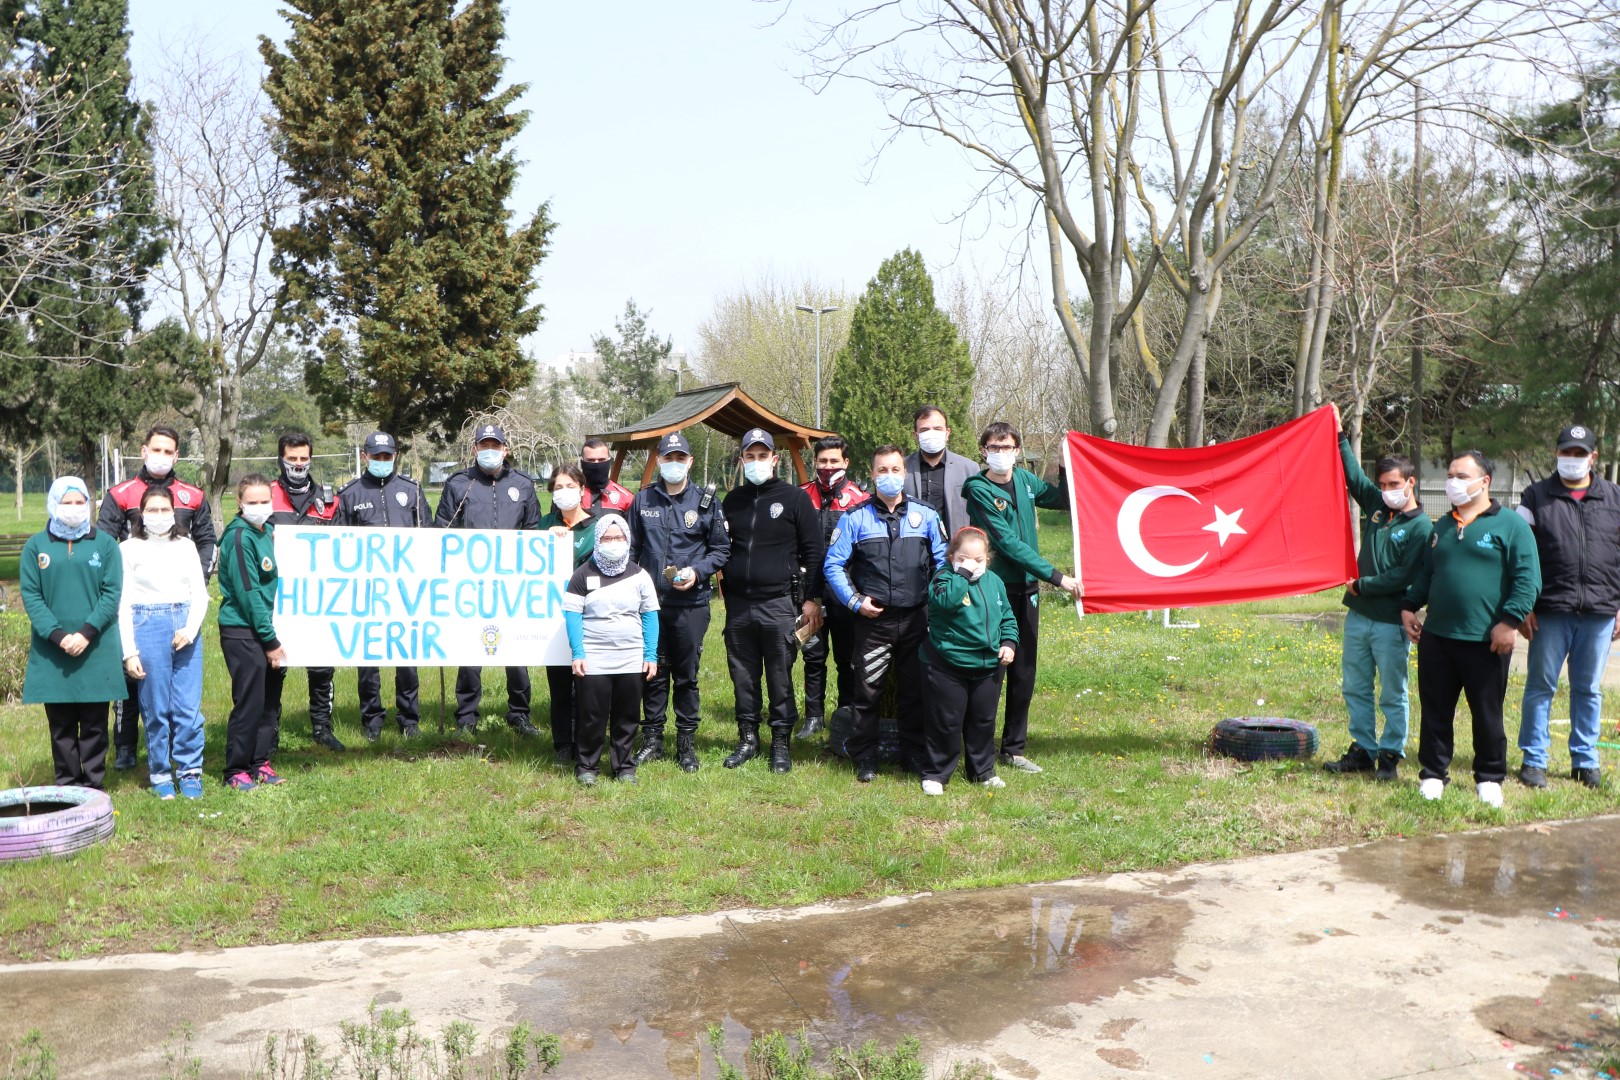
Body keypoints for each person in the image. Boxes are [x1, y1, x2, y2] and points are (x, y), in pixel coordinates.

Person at [1401, 451, 1541, 808]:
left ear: (1485, 481)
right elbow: (1427, 574)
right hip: (1438, 638)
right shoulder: (1442, 526)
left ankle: (1490, 777)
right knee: (1435, 711)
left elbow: (1528, 580)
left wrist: (1509, 622)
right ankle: (1433, 775)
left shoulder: (1511, 526)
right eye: (1450, 475)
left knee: (1487, 713)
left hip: (1486, 641)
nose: (1453, 482)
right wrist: (1408, 606)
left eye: (1462, 475)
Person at [961, 422, 1082, 774]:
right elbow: (1007, 544)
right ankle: (977, 748)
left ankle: (1013, 748)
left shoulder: (1027, 482)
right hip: (994, 591)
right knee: (992, 668)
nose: (1002, 453)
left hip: (1027, 592)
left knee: (1024, 670)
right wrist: (1059, 578)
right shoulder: (978, 490)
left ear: (1017, 450)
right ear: (983, 451)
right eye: (995, 447)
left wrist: (1063, 464)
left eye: (1008, 447)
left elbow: (1062, 501)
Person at [1323, 406, 1433, 783]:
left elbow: (1403, 575)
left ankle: (1390, 752)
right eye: (1383, 485)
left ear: (1410, 483)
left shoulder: (1421, 527)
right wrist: (1338, 436)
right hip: (1358, 616)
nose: (1386, 492)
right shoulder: (1376, 509)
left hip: (1390, 621)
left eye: (1393, 485)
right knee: (1355, 685)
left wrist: (1362, 584)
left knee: (1392, 691)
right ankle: (1363, 749)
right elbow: (1352, 477)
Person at [824, 444, 948, 781]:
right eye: (882, 470)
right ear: (872, 474)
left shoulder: (927, 516)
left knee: (914, 692)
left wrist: (934, 601)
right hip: (873, 622)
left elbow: (943, 564)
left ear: (904, 474)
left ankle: (913, 755)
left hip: (915, 622)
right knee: (867, 692)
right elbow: (833, 565)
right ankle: (865, 757)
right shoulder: (855, 518)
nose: (889, 476)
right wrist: (855, 602)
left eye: (895, 470)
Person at [97, 426, 216, 772]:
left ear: (177, 455)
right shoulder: (121, 493)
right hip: (136, 601)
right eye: (156, 449)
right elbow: (106, 544)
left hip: (180, 599)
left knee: (173, 690)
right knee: (132, 680)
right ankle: (125, 746)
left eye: (169, 451)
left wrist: (198, 578)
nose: (162, 456)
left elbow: (207, 540)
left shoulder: (192, 495)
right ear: (144, 450)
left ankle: (180, 755)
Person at [1514, 424, 1620, 790]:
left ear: (1594, 457)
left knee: (1589, 689)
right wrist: (1522, 605)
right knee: (1541, 686)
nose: (1571, 459)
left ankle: (1585, 760)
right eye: (1565, 452)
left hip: (1600, 612)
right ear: (1556, 454)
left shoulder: (1616, 498)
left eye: (1579, 453)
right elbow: (1518, 557)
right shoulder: (1534, 497)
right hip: (1548, 611)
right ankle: (1534, 759)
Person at [718, 428, 822, 773]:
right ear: (742, 460)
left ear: (775, 460)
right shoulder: (732, 501)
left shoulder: (795, 499)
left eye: (764, 456)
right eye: (751, 456)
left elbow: (814, 552)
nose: (757, 461)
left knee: (779, 675)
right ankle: (748, 739)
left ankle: (781, 743)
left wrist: (811, 600)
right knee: (743, 676)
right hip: (739, 605)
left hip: (780, 603)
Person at [628, 430, 729, 771]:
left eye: (679, 458)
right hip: (651, 604)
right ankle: (652, 740)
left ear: (690, 462)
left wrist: (698, 572)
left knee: (686, 676)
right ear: (659, 460)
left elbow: (721, 549)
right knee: (653, 673)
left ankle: (686, 745)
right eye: (667, 458)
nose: (673, 464)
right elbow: (631, 550)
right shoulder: (643, 500)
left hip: (691, 604)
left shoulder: (705, 502)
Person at [436, 423, 543, 737]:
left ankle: (519, 715)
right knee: (469, 651)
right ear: (475, 450)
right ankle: (466, 717)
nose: (490, 451)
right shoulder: (459, 484)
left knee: (516, 652)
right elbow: (442, 531)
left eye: (495, 445)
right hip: (471, 583)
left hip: (513, 584)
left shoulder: (523, 484)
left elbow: (533, 531)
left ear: (506, 449)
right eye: (484, 446)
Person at [21, 477, 124, 790]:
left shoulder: (105, 544)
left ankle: (93, 786)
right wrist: (57, 635)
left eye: (81, 502)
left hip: (95, 646)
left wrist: (85, 633)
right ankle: (67, 784)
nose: (74, 509)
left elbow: (111, 592)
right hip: (53, 650)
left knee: (94, 723)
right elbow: (31, 595)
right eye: (67, 502)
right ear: (54, 503)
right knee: (61, 725)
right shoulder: (36, 546)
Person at [334, 431, 432, 740]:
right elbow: (338, 545)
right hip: (367, 590)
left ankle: (409, 719)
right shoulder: (350, 494)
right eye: (376, 456)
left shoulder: (412, 491)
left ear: (395, 456)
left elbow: (428, 536)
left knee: (407, 659)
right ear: (365, 457)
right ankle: (372, 721)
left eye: (387, 456)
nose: (382, 461)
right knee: (368, 661)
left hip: (406, 590)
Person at [117, 487, 209, 800]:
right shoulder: (128, 549)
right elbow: (123, 603)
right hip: (147, 624)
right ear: (141, 513)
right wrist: (129, 652)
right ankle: (160, 773)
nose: (159, 516)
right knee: (155, 708)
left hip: (184, 622)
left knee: (187, 707)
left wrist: (191, 628)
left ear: (174, 512)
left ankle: (190, 770)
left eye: (164, 509)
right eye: (152, 510)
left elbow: (200, 592)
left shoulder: (186, 545)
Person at [919, 527, 1018, 795]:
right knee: (946, 722)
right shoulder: (943, 579)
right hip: (947, 664)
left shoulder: (995, 581)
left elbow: (1007, 616)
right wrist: (961, 574)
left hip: (987, 667)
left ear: (988, 559)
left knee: (983, 721)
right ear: (951, 557)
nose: (972, 564)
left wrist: (1009, 643)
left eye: (978, 559)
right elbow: (947, 602)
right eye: (963, 558)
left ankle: (982, 771)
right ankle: (936, 774)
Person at [562, 514, 659, 786]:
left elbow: (650, 616)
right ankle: (587, 766)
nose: (613, 542)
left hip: (631, 657)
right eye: (607, 538)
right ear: (598, 540)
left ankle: (624, 766)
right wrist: (578, 652)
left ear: (627, 540)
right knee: (591, 715)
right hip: (594, 657)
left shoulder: (640, 575)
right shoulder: (582, 575)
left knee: (627, 716)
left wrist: (650, 655)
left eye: (619, 538)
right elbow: (572, 615)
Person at [266, 432, 344, 751]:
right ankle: (268, 731)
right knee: (274, 666)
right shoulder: (265, 494)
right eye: (292, 458)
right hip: (276, 595)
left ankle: (322, 728)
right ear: (280, 459)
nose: (298, 464)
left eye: (303, 458)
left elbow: (343, 545)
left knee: (322, 665)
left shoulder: (328, 499)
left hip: (317, 596)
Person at [217, 475, 288, 792]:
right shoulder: (238, 538)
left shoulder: (269, 532)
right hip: (243, 630)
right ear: (240, 504)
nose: (260, 507)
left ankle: (260, 762)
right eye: (253, 502)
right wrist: (270, 642)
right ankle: (236, 769)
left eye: (265, 501)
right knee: (249, 700)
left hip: (270, 628)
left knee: (269, 700)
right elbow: (249, 593)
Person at [798, 434, 869, 739]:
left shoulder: (861, 500)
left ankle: (845, 713)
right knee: (813, 656)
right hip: (809, 592)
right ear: (814, 463)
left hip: (845, 592)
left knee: (846, 658)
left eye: (834, 462)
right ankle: (813, 717)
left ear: (846, 463)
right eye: (822, 461)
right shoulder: (801, 496)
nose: (827, 467)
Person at [537, 462, 599, 765]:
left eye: (570, 486)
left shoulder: (597, 527)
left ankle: (587, 743)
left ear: (582, 489)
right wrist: (545, 541)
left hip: (589, 617)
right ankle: (562, 744)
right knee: (560, 686)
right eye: (558, 487)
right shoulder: (542, 525)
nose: (564, 492)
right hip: (553, 619)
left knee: (586, 686)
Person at [904, 405, 977, 534]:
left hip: (955, 547)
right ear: (915, 435)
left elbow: (977, 515)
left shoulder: (969, 469)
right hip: (914, 548)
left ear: (947, 433)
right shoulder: (901, 468)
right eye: (925, 429)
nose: (931, 434)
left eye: (937, 428)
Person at [580, 437, 634, 513]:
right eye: (591, 460)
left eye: (601, 460)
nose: (597, 464)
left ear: (609, 461)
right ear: (582, 462)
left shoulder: (626, 497)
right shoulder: (571, 494)